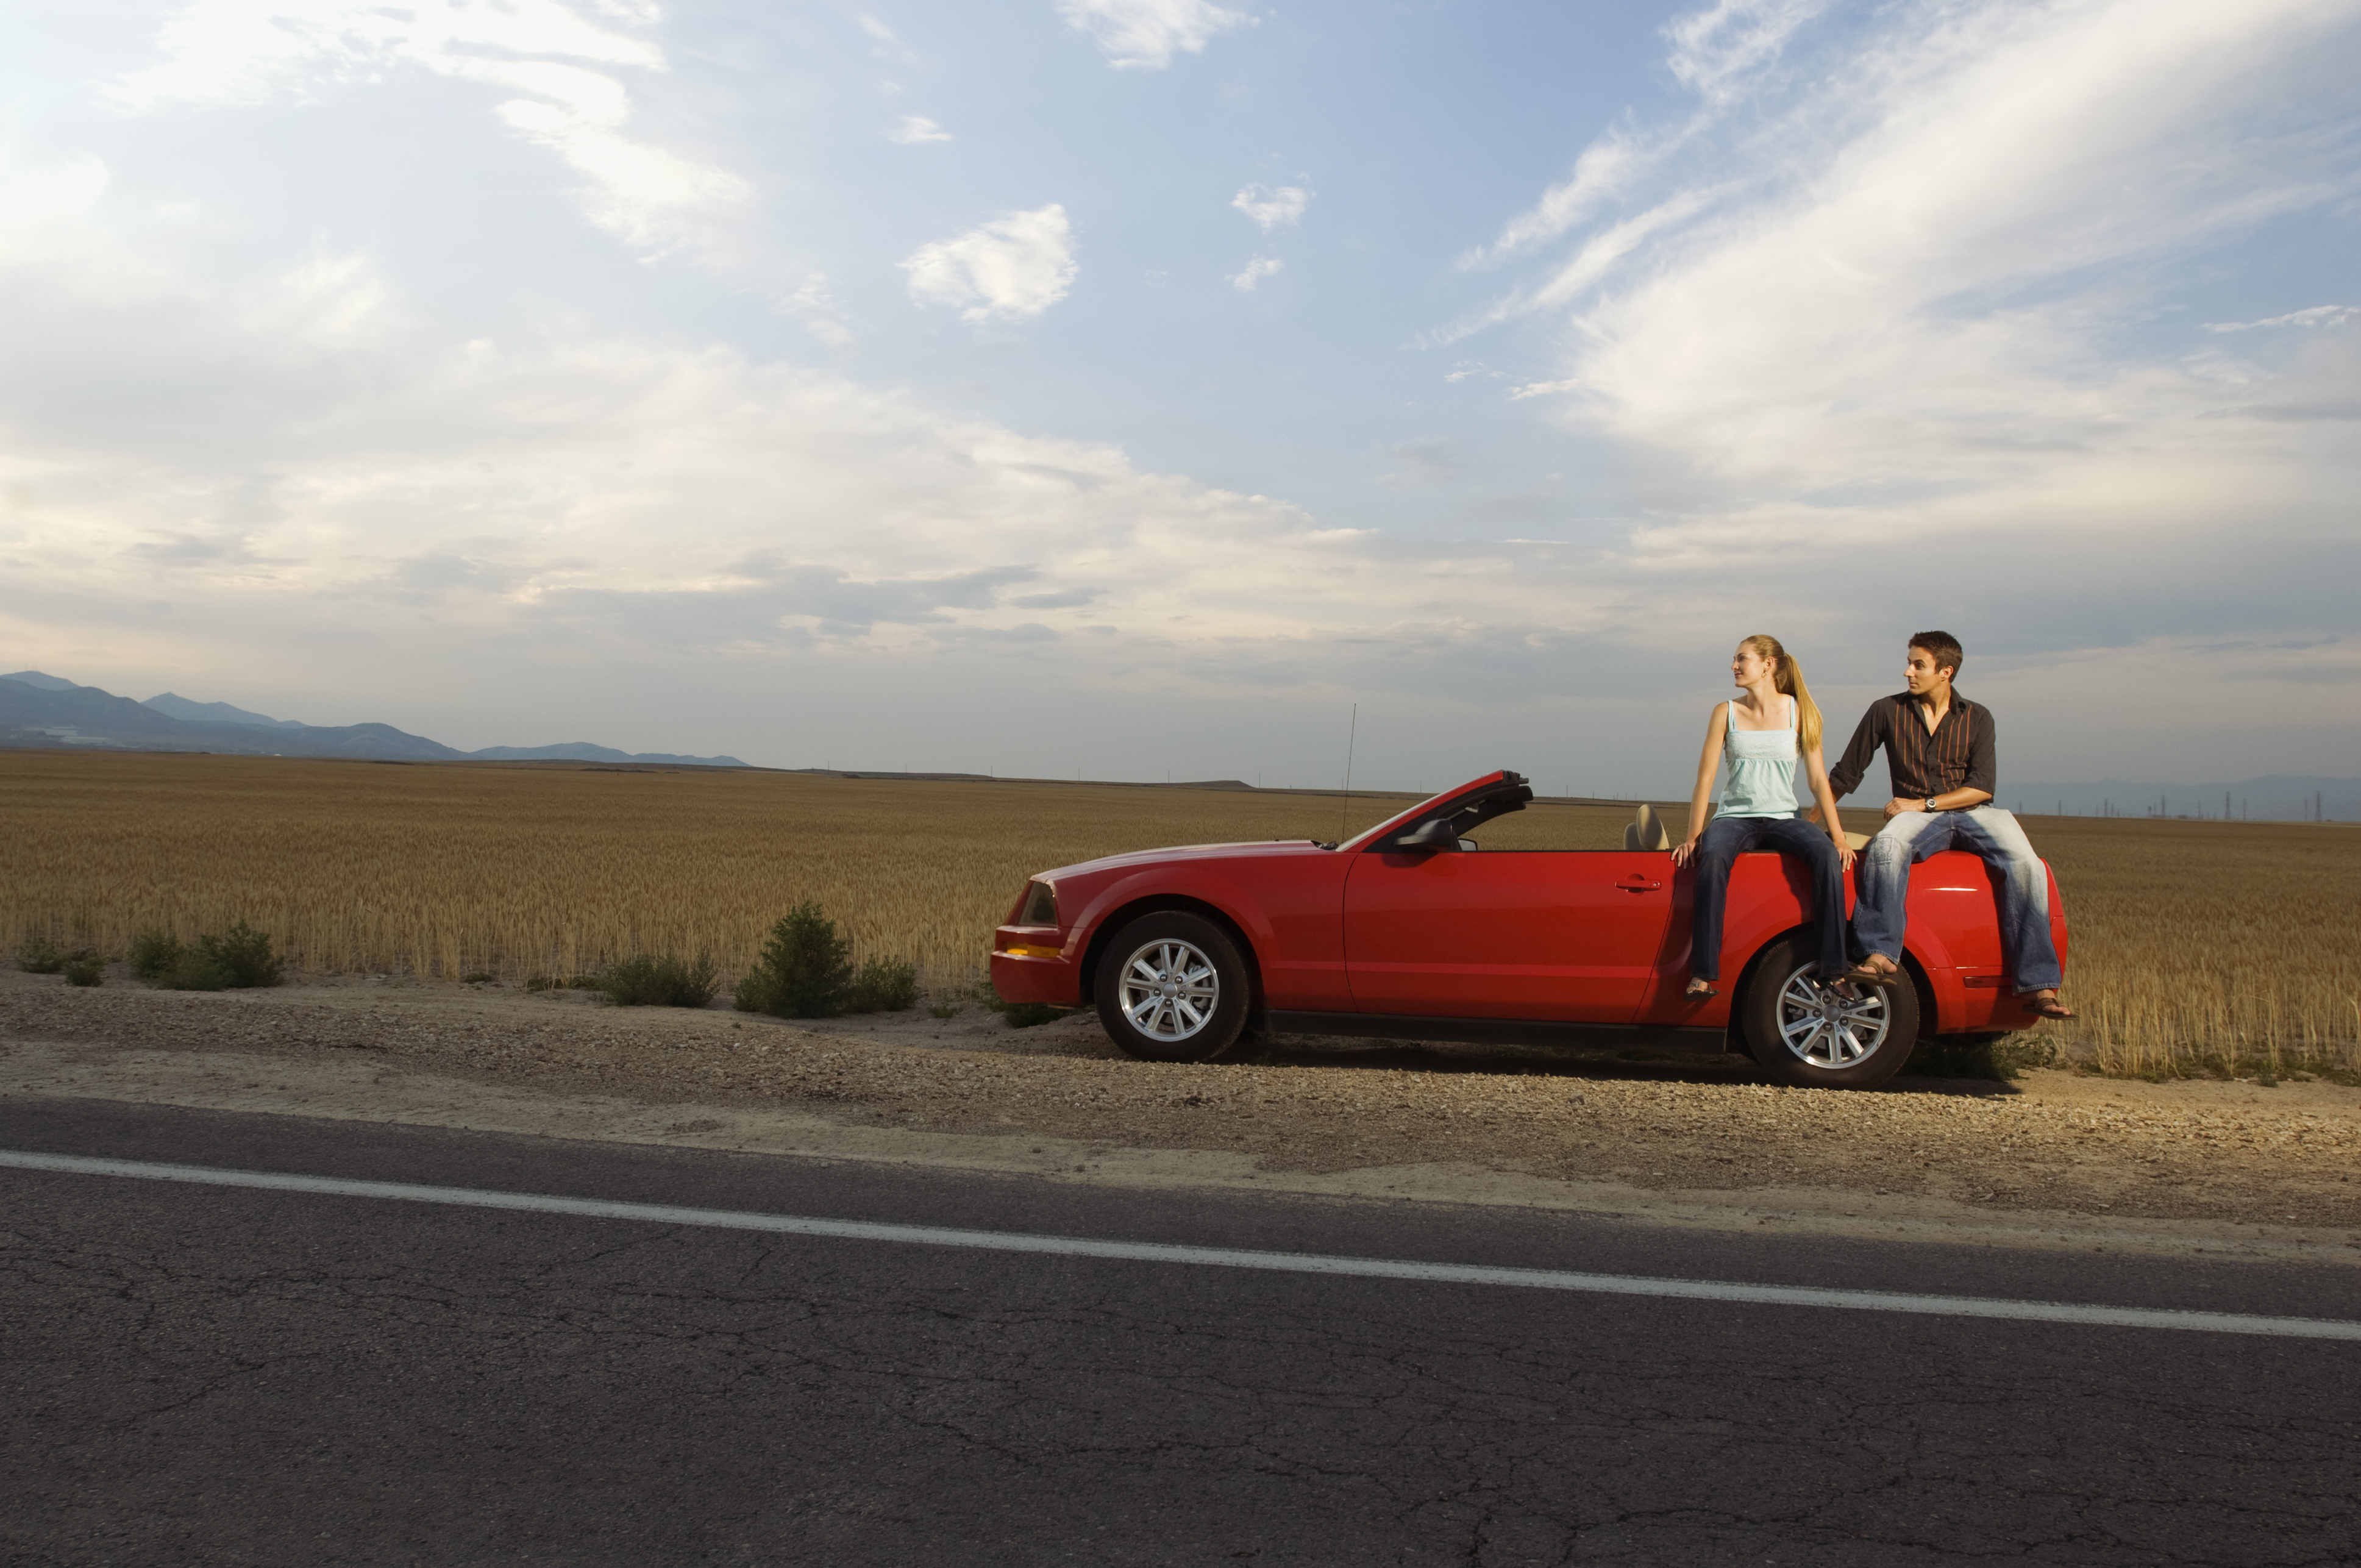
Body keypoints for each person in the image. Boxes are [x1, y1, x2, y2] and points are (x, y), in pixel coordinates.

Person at [1824, 631, 2073, 1020]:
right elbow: (1845, 774)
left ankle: (2040, 985)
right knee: (1886, 847)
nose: (1908, 671)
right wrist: (1807, 825)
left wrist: (1921, 803)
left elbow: (1981, 787)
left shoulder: (1978, 716)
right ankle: (1879, 955)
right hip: (1918, 818)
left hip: (1974, 812)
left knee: (2028, 865)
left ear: (1946, 672)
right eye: (1909, 662)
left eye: (1918, 664)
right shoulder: (1885, 711)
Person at [1670, 636, 1855, 999]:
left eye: (1742, 659)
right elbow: (1705, 780)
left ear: (1768, 665)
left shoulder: (1798, 712)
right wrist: (1694, 836)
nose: (1734, 666)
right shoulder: (1724, 712)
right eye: (1734, 660)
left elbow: (1818, 779)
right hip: (1734, 818)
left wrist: (1839, 836)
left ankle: (1834, 970)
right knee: (1712, 860)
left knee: (1826, 856)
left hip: (1784, 818)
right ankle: (1703, 974)